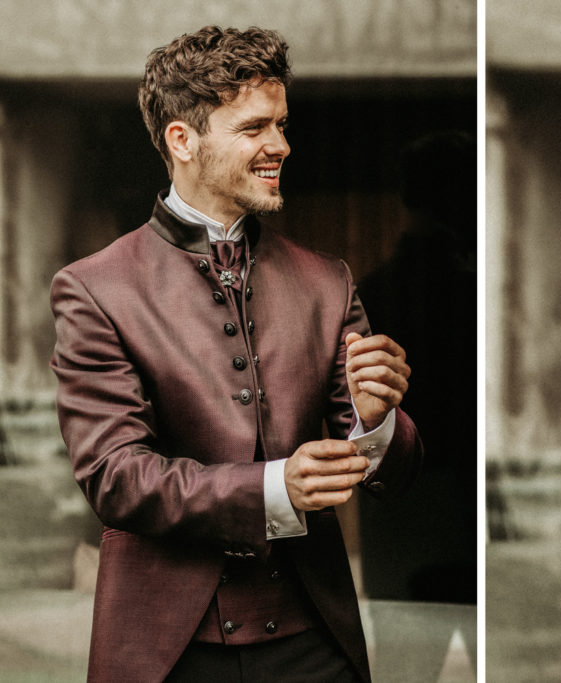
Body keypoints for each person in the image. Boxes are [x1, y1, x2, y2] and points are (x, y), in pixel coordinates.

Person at [50, 26, 422, 683]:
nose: (280, 144)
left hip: (319, 646)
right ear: (181, 140)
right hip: (168, 650)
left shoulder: (326, 279)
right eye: (253, 128)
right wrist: (274, 487)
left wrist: (373, 420)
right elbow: (115, 475)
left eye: (281, 124)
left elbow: (396, 470)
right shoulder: (94, 288)